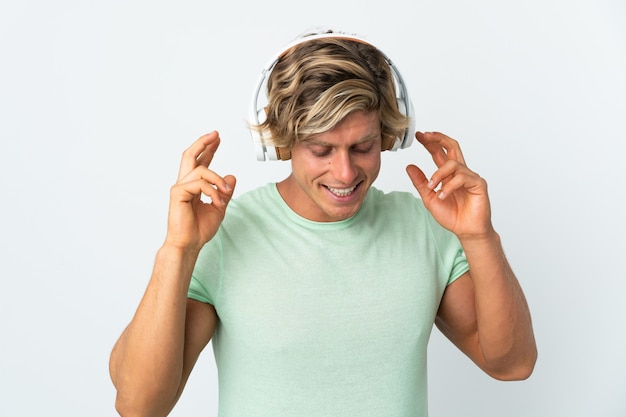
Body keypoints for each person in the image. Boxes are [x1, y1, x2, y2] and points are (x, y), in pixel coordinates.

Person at [109, 29, 537, 417]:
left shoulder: (423, 227)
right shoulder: (225, 234)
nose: (346, 173)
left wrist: (480, 236)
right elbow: (139, 405)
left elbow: (513, 364)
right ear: (281, 144)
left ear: (388, 138)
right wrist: (178, 251)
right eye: (321, 150)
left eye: (363, 146)